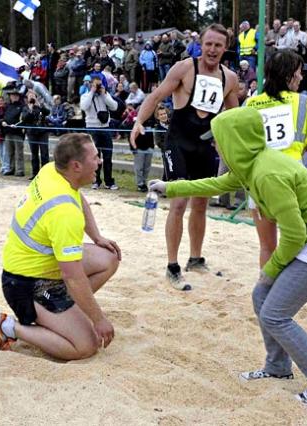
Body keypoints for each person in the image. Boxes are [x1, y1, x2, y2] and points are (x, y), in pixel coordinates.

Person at [149, 106, 307, 408]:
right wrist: (170, 187)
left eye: (218, 140)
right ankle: (278, 367)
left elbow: (294, 234)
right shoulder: (252, 163)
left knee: (275, 313)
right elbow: (215, 184)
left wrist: (270, 270)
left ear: (237, 141)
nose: (214, 146)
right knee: (262, 298)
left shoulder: (267, 172)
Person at [0, 133, 121, 360]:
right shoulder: (64, 213)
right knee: (86, 346)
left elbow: (78, 196)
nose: (100, 161)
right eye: (95, 157)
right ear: (76, 166)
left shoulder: (53, 170)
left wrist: (96, 236)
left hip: (36, 265)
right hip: (25, 283)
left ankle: (66, 315)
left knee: (109, 257)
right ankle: (7, 327)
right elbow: (73, 277)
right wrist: (99, 319)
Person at [130, 23, 240, 290]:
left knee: (201, 204)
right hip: (178, 143)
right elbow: (156, 96)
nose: (213, 50)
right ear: (201, 44)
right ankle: (172, 265)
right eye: (209, 44)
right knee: (179, 203)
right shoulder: (184, 68)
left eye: (218, 45)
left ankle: (196, 258)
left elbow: (234, 117)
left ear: (225, 48)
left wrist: (233, 147)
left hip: (205, 146)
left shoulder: (230, 78)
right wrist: (139, 121)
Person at [244, 50, 307, 268]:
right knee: (297, 243)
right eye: (299, 73)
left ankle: (265, 295)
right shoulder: (302, 102)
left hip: (259, 181)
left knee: (266, 247)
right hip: (291, 179)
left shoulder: (252, 103)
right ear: (289, 74)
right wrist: (299, 148)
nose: (302, 77)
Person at [80, 75, 119, 190]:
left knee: (108, 156)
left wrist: (104, 94)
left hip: (105, 128)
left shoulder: (104, 95)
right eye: (96, 84)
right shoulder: (86, 95)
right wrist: (92, 92)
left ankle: (109, 181)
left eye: (99, 84)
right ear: (91, 84)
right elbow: (84, 106)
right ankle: (95, 180)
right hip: (92, 128)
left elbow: (114, 107)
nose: (98, 86)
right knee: (94, 156)